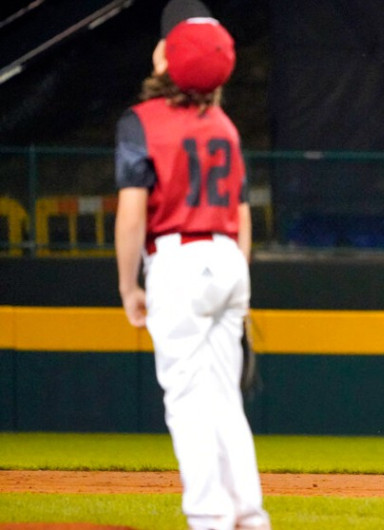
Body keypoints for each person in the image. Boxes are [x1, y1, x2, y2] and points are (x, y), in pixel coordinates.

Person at [114, 0, 270, 528]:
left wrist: (128, 285)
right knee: (224, 400)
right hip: (228, 260)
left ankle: (208, 518)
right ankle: (249, 516)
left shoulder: (141, 122)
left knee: (186, 401)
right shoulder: (225, 126)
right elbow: (241, 215)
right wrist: (238, 282)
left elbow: (132, 214)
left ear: (166, 59)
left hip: (178, 262)